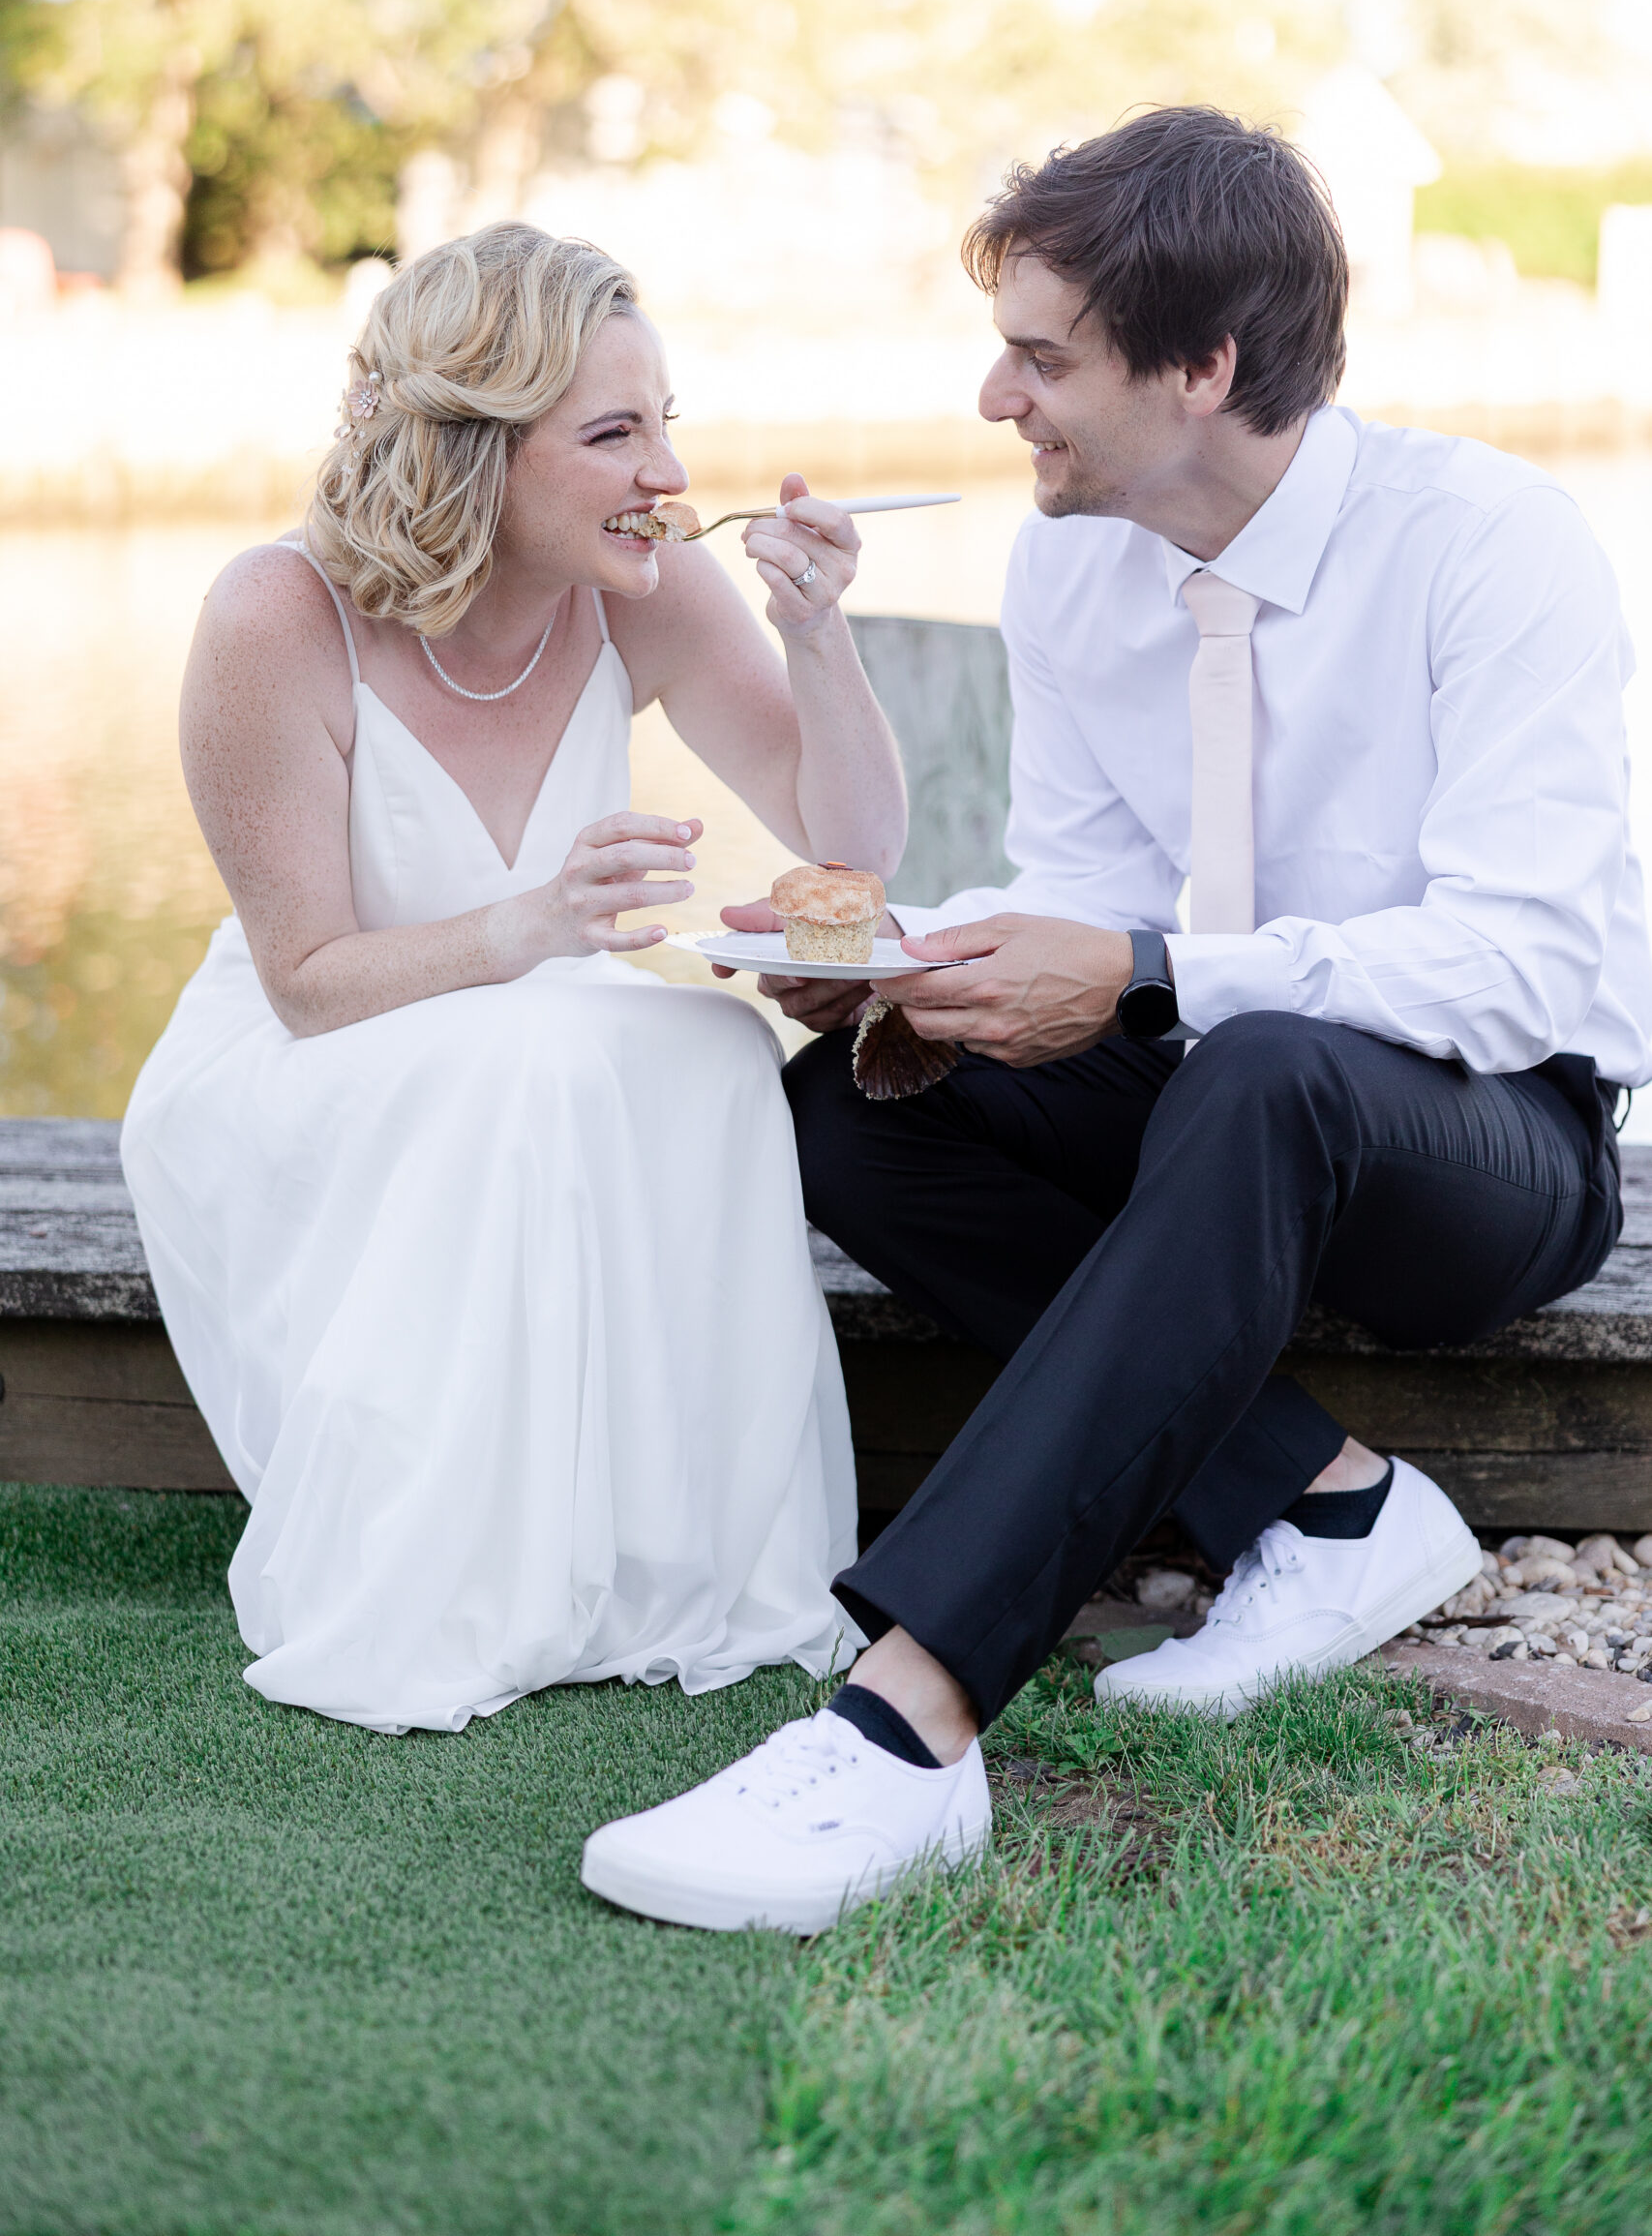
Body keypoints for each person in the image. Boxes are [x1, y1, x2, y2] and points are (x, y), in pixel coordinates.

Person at [581, 106, 1650, 1936]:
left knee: (1264, 1063)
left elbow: (1529, 969)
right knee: (852, 1106)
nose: (1000, 399)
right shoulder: (1069, 567)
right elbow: (1084, 908)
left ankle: (906, 1723)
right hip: (1218, 1097)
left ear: (1205, 364)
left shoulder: (1488, 540)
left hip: (1489, 1148)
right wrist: (927, 981)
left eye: (1041, 356)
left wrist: (1157, 979)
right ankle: (1322, 1503)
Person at [121, 222, 904, 1734]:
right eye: (615, 433)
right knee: (545, 1051)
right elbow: (305, 980)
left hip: (535, 1028)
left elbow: (846, 846)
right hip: (308, 1062)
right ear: (475, 444)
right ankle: (460, 1574)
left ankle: (670, 1564)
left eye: (669, 427)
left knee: (717, 1053)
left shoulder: (649, 583)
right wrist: (536, 925)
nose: (668, 476)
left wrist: (818, 639)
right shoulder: (273, 617)